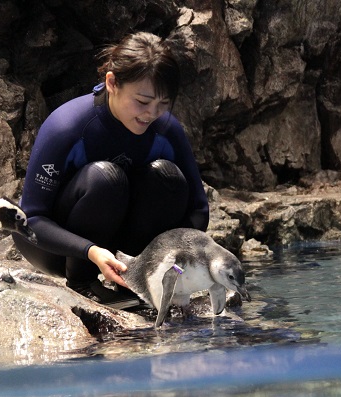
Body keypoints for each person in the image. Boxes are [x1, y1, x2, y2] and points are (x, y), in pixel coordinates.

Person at [13, 32, 210, 308]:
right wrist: (89, 251)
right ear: (112, 83)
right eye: (142, 102)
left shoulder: (166, 129)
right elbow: (30, 220)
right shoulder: (68, 127)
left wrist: (171, 258)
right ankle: (83, 284)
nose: (150, 114)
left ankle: (137, 278)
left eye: (162, 104)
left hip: (122, 245)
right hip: (57, 247)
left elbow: (198, 210)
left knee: (167, 177)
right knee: (106, 178)